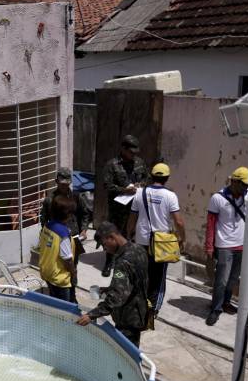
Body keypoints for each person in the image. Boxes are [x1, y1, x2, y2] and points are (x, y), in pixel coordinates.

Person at [204, 167, 248, 326]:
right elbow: (211, 225)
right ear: (234, 181)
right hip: (224, 245)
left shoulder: (247, 198)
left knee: (233, 279)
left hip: (242, 246)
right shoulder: (217, 198)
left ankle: (225, 303)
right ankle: (216, 309)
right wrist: (209, 248)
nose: (246, 188)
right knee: (221, 280)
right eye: (243, 184)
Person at [76, 222, 149, 348]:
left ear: (112, 237)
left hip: (127, 318)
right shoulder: (139, 249)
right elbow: (134, 281)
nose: (105, 249)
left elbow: (117, 297)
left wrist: (91, 315)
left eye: (104, 244)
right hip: (139, 311)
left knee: (125, 355)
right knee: (132, 351)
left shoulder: (123, 261)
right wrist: (110, 288)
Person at [127, 163, 185, 314]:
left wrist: (129, 234)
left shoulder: (140, 193)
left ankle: (138, 303)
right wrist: (182, 239)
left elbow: (132, 218)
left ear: (151, 176)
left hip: (141, 241)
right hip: (161, 244)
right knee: (158, 279)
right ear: (167, 178)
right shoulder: (170, 196)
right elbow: (178, 222)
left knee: (142, 274)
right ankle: (153, 309)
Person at [40, 167, 91, 301]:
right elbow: (43, 220)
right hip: (57, 240)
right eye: (62, 184)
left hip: (74, 239)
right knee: (58, 269)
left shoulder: (76, 197)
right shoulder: (50, 200)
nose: (64, 186)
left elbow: (85, 214)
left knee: (72, 269)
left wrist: (84, 230)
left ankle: (71, 296)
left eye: (67, 184)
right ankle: (61, 296)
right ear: (56, 181)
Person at [101, 135, 148, 277]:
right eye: (131, 152)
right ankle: (109, 263)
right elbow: (107, 185)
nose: (133, 155)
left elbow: (147, 178)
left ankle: (129, 262)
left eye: (135, 152)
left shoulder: (139, 163)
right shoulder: (112, 165)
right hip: (118, 208)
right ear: (123, 149)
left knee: (132, 235)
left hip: (135, 207)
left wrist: (141, 185)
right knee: (113, 236)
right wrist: (124, 190)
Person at [38, 196, 76, 302]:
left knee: (54, 303)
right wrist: (74, 273)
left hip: (48, 273)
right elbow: (67, 259)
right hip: (59, 279)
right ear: (68, 215)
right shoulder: (63, 233)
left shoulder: (47, 226)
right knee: (64, 310)